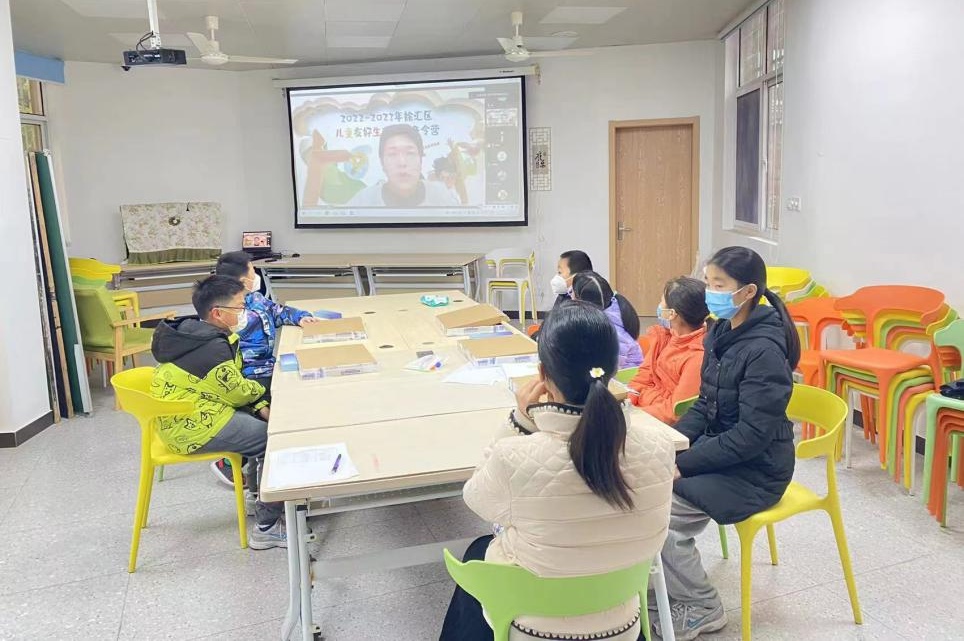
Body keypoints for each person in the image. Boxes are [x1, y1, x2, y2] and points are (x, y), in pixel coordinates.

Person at [440, 301, 676, 641]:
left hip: (534, 631)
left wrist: (519, 422)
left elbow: (476, 499)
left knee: (479, 551)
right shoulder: (661, 446)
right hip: (622, 624)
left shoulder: (514, 456)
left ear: (542, 376)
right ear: (614, 369)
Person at [652, 246, 801, 641]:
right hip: (725, 452)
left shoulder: (764, 350)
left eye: (719, 285)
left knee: (659, 518)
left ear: (748, 291)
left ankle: (703, 607)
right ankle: (662, 592)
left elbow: (751, 436)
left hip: (757, 470)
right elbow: (705, 403)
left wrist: (684, 464)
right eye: (707, 282)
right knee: (645, 486)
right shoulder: (720, 330)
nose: (709, 292)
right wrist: (672, 443)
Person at [150, 275, 287, 550]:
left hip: (186, 415)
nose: (244, 312)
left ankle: (258, 498)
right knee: (275, 439)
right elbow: (236, 391)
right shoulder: (212, 348)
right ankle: (267, 527)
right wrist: (261, 398)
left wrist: (258, 404)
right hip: (192, 425)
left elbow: (230, 388)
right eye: (239, 306)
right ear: (218, 313)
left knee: (260, 421)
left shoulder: (193, 333)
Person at [211, 251, 319, 486]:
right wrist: (257, 401)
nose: (256, 274)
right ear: (243, 281)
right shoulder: (226, 315)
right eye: (253, 271)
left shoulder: (256, 299)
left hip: (268, 368)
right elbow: (225, 369)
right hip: (248, 376)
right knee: (273, 412)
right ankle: (234, 465)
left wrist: (301, 317)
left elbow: (278, 312)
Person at [627, 277, 709, 424]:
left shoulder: (697, 356)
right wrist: (627, 403)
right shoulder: (664, 337)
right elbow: (643, 376)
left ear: (672, 313)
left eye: (662, 302)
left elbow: (675, 411)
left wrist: (633, 417)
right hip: (641, 411)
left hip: (658, 423)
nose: (659, 306)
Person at [349, 124, 460, 207]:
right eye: (392, 154)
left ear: (421, 160)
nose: (402, 163)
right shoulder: (363, 200)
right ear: (382, 163)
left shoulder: (442, 195)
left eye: (410, 153)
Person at [570, 271, 642, 369]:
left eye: (573, 292)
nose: (571, 296)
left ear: (583, 301)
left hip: (627, 374)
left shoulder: (612, 329)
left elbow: (612, 366)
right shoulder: (609, 305)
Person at [529, 250, 593, 339]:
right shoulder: (564, 295)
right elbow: (550, 324)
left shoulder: (588, 301)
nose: (557, 277)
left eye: (560, 272)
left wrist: (539, 338)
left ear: (577, 276)